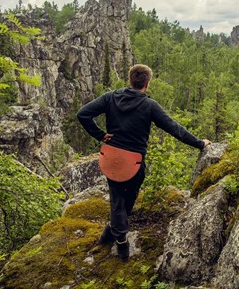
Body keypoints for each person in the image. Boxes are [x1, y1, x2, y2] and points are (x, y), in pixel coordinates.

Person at [77, 64, 210, 261]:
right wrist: (199, 143)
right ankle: (121, 243)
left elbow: (83, 114)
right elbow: (174, 128)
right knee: (124, 201)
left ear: (130, 80)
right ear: (147, 83)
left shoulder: (110, 97)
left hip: (111, 156)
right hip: (134, 162)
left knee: (117, 200)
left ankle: (109, 233)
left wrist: (101, 136)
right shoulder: (149, 105)